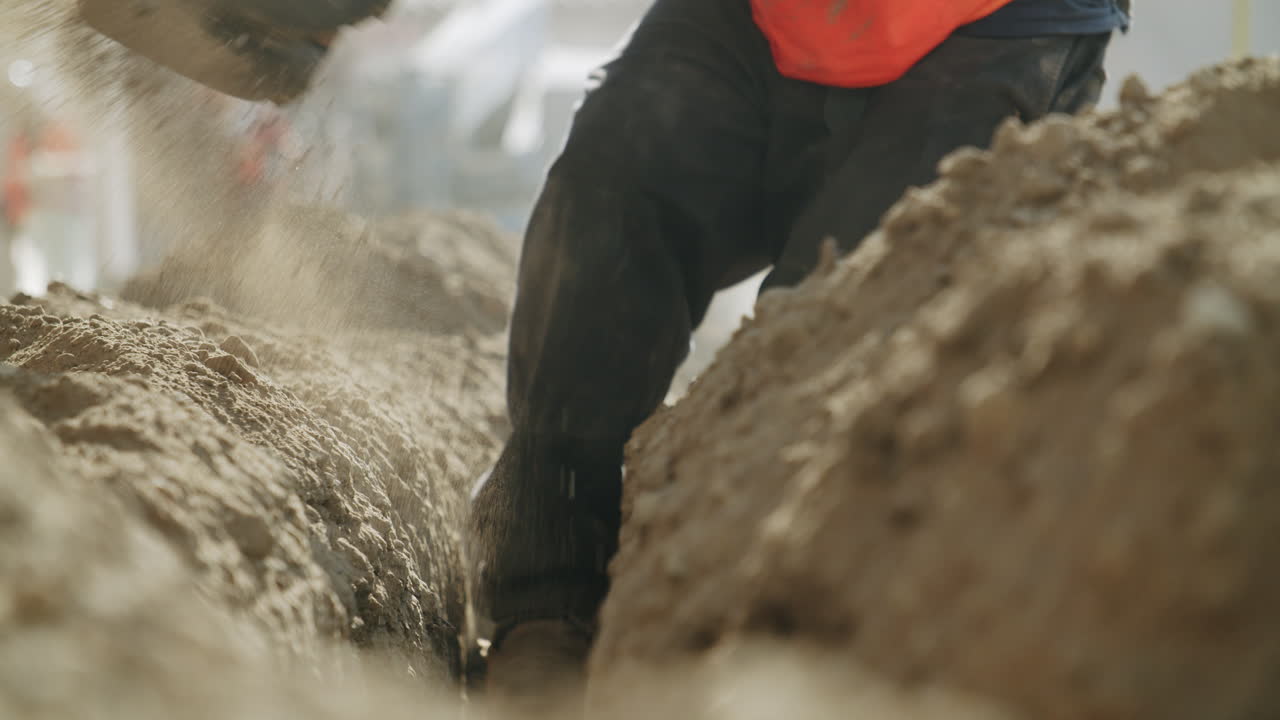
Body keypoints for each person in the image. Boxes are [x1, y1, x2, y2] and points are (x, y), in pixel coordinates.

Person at [467, 0, 1130, 703]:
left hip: (987, 26)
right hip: (758, 18)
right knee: (610, 187)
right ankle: (547, 594)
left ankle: (772, 645)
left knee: (832, 317)